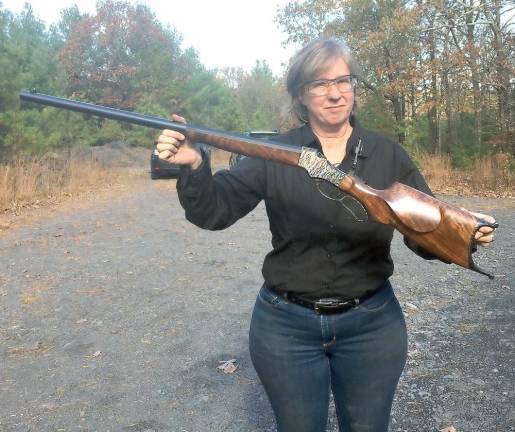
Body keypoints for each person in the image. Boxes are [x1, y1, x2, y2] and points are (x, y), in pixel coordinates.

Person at [155, 39, 496, 432]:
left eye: (343, 81)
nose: (334, 93)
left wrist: (465, 234)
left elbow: (423, 235)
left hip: (372, 325)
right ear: (301, 94)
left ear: (353, 86)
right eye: (320, 84)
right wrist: (195, 164)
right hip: (285, 327)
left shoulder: (389, 155)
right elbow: (213, 212)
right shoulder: (271, 153)